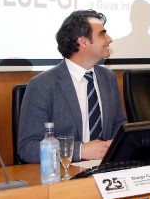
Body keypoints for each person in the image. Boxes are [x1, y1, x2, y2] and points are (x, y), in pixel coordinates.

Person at [18, 10, 126, 163]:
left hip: (106, 169)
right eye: (102, 34)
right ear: (83, 42)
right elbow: (28, 148)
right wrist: (80, 150)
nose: (109, 39)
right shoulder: (42, 85)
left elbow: (119, 126)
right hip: (63, 174)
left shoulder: (108, 78)